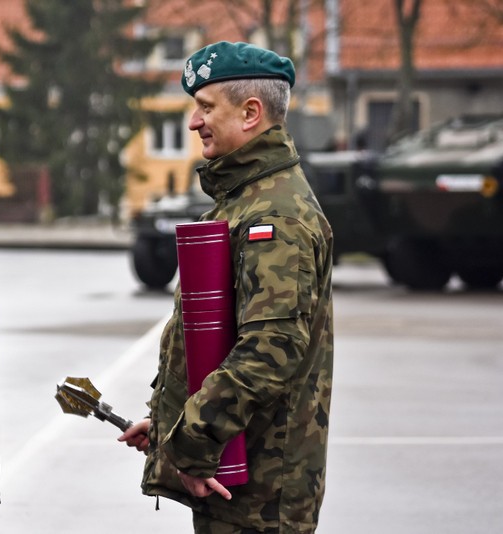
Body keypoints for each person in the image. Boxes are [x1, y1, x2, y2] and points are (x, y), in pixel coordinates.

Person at [120, 41, 334, 533]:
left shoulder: (274, 215)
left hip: (261, 493)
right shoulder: (246, 199)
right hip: (238, 473)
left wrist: (193, 437)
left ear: (251, 113)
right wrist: (174, 422)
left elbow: (270, 350)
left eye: (206, 108)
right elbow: (220, 338)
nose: (194, 122)